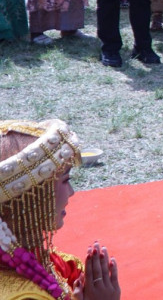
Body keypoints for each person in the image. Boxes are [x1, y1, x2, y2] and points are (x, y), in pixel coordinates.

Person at [0, 119, 121, 300]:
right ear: (31, 196)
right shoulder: (24, 296)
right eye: (65, 180)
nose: (71, 192)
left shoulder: (23, 256)